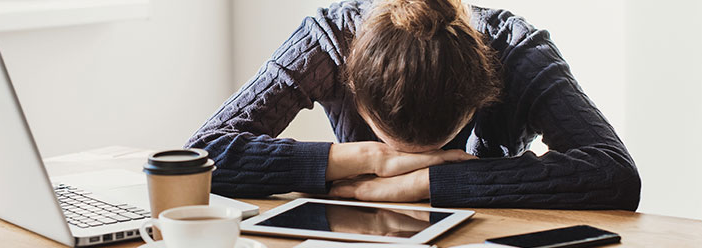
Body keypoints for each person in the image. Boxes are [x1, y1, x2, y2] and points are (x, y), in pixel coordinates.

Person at [186, 0, 641, 210]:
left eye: (431, 148)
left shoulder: (517, 49)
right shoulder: (329, 39)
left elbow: (614, 172)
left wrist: (425, 182)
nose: (409, 160)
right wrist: (368, 160)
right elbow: (199, 156)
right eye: (396, 146)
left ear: (485, 89)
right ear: (353, 85)